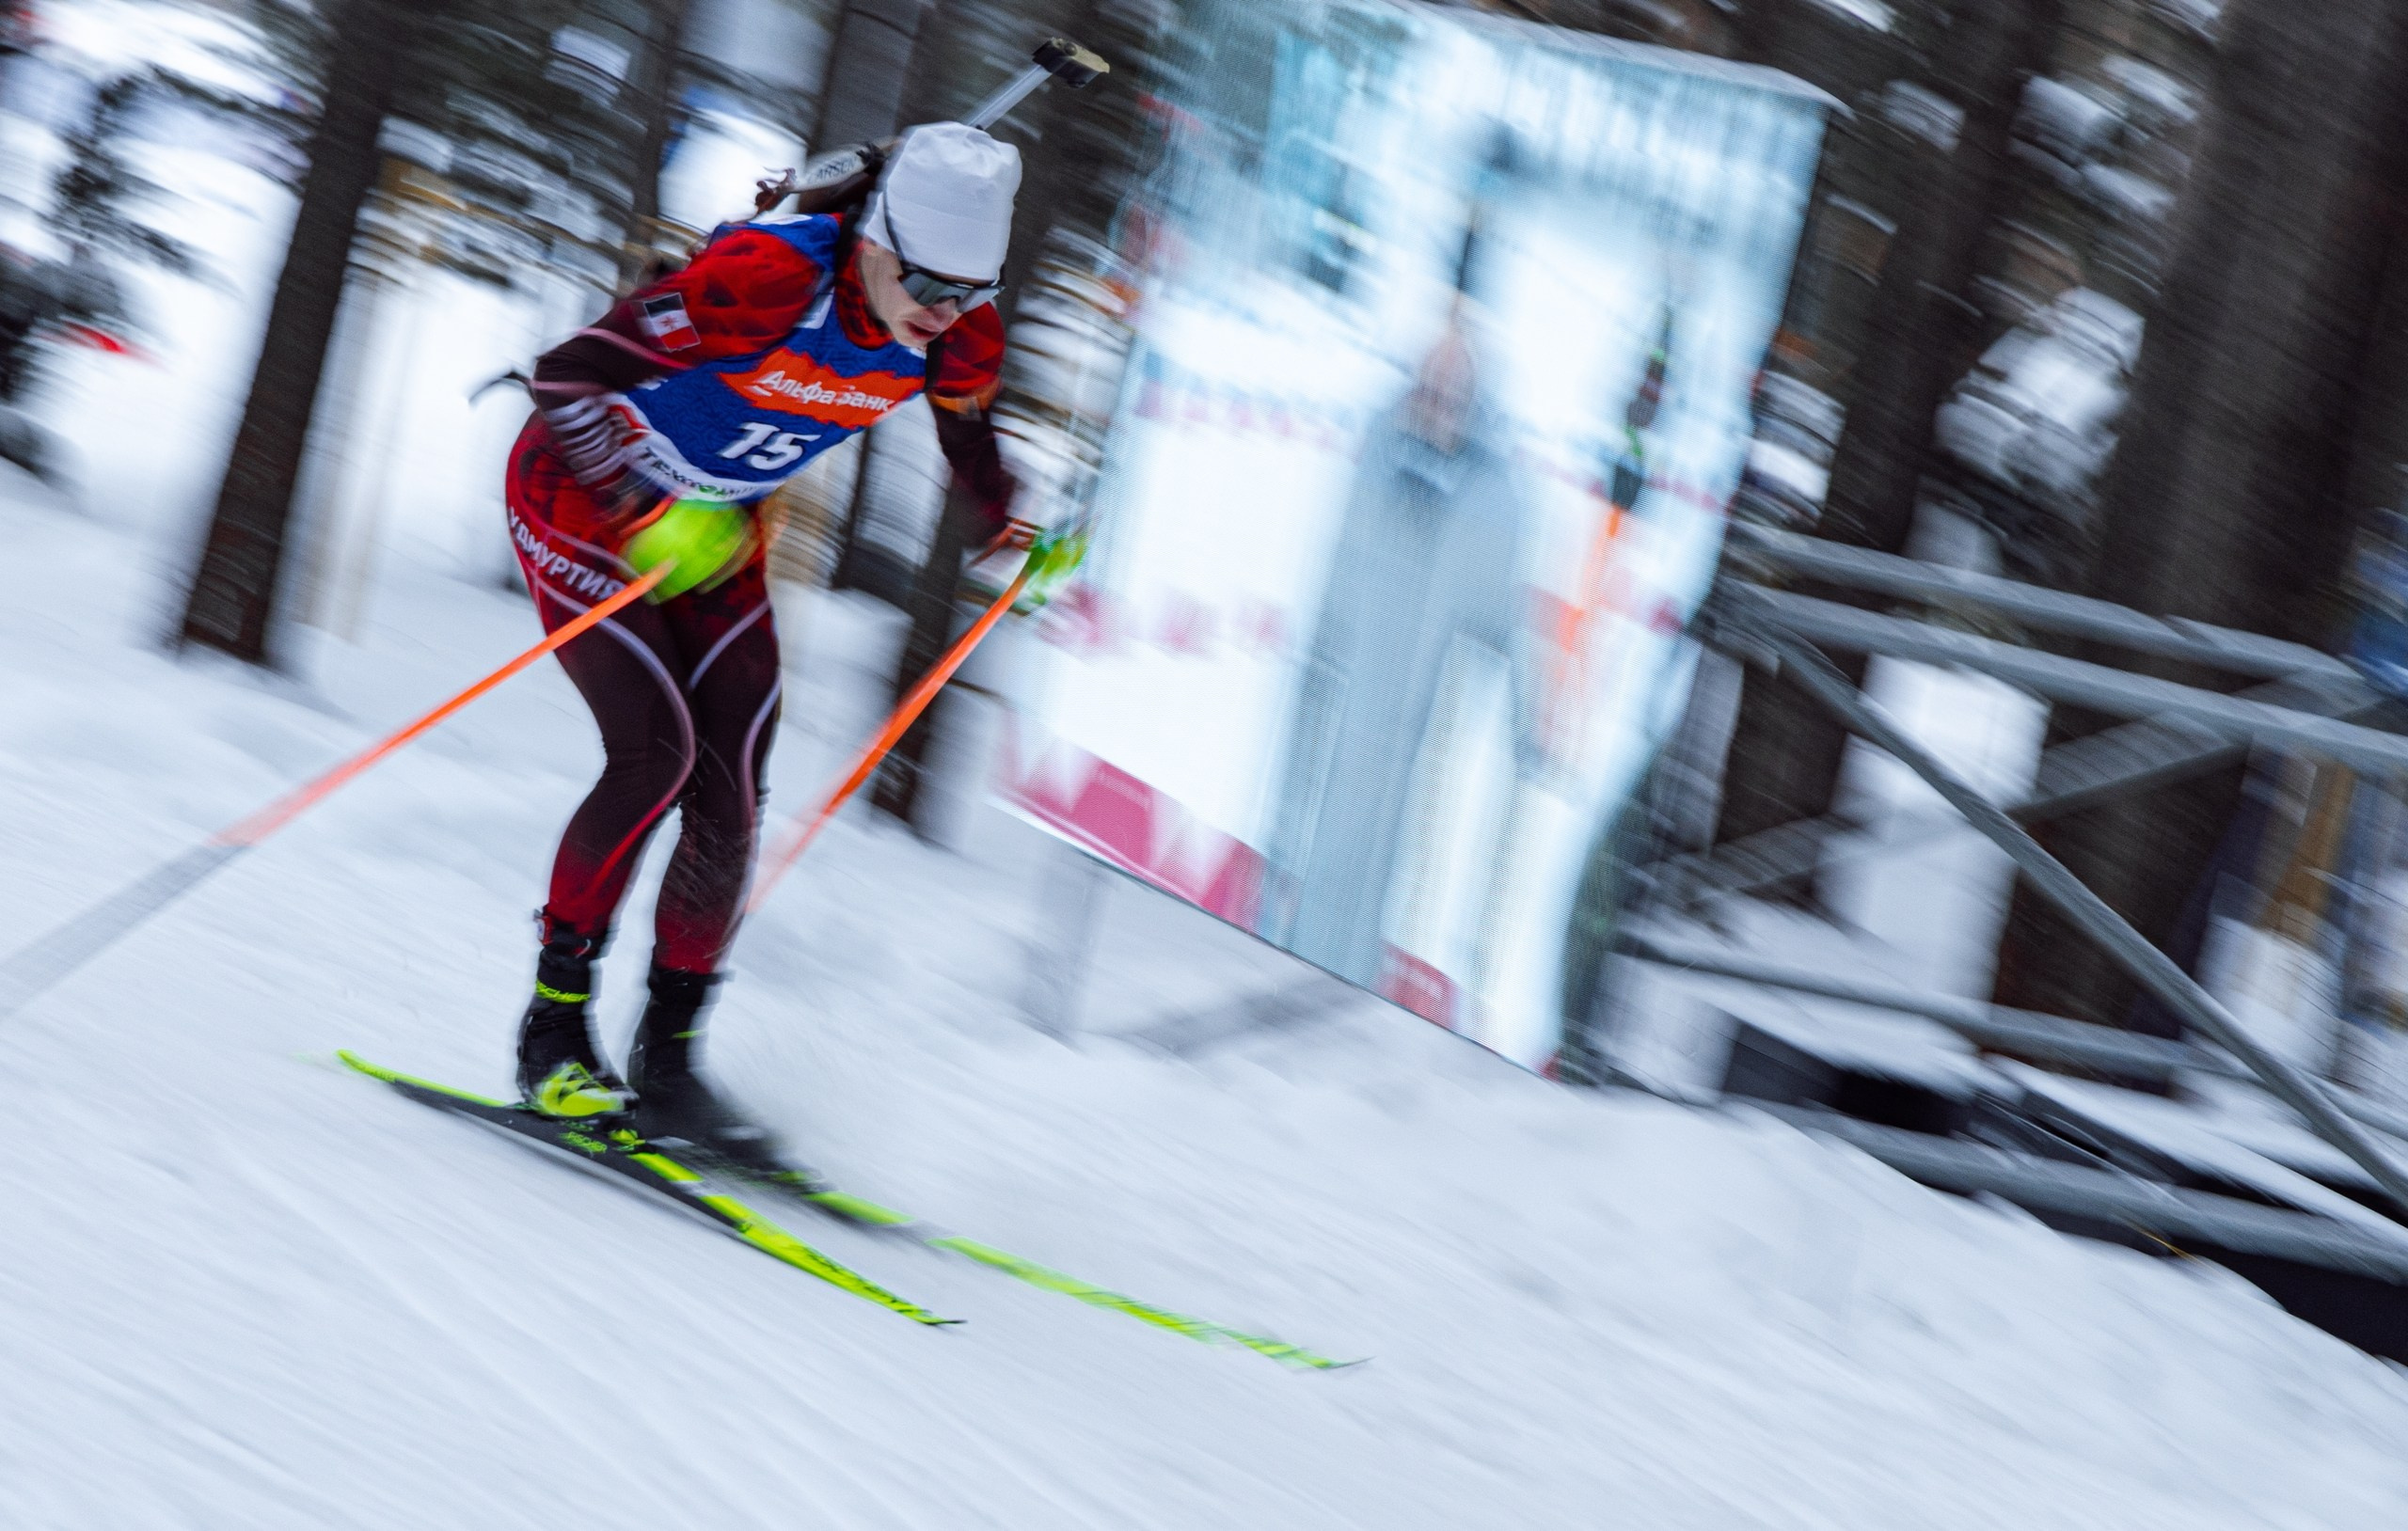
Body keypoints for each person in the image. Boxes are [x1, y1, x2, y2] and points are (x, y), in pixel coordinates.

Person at [502, 122, 1025, 1159]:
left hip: (717, 523)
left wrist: (1003, 517)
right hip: (585, 498)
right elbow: (563, 377)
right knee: (655, 755)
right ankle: (553, 1037)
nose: (942, 308)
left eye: (969, 288)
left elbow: (968, 434)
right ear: (872, 239)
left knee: (733, 780)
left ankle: (670, 1059)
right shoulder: (765, 281)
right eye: (924, 278)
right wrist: (636, 500)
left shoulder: (954, 328)